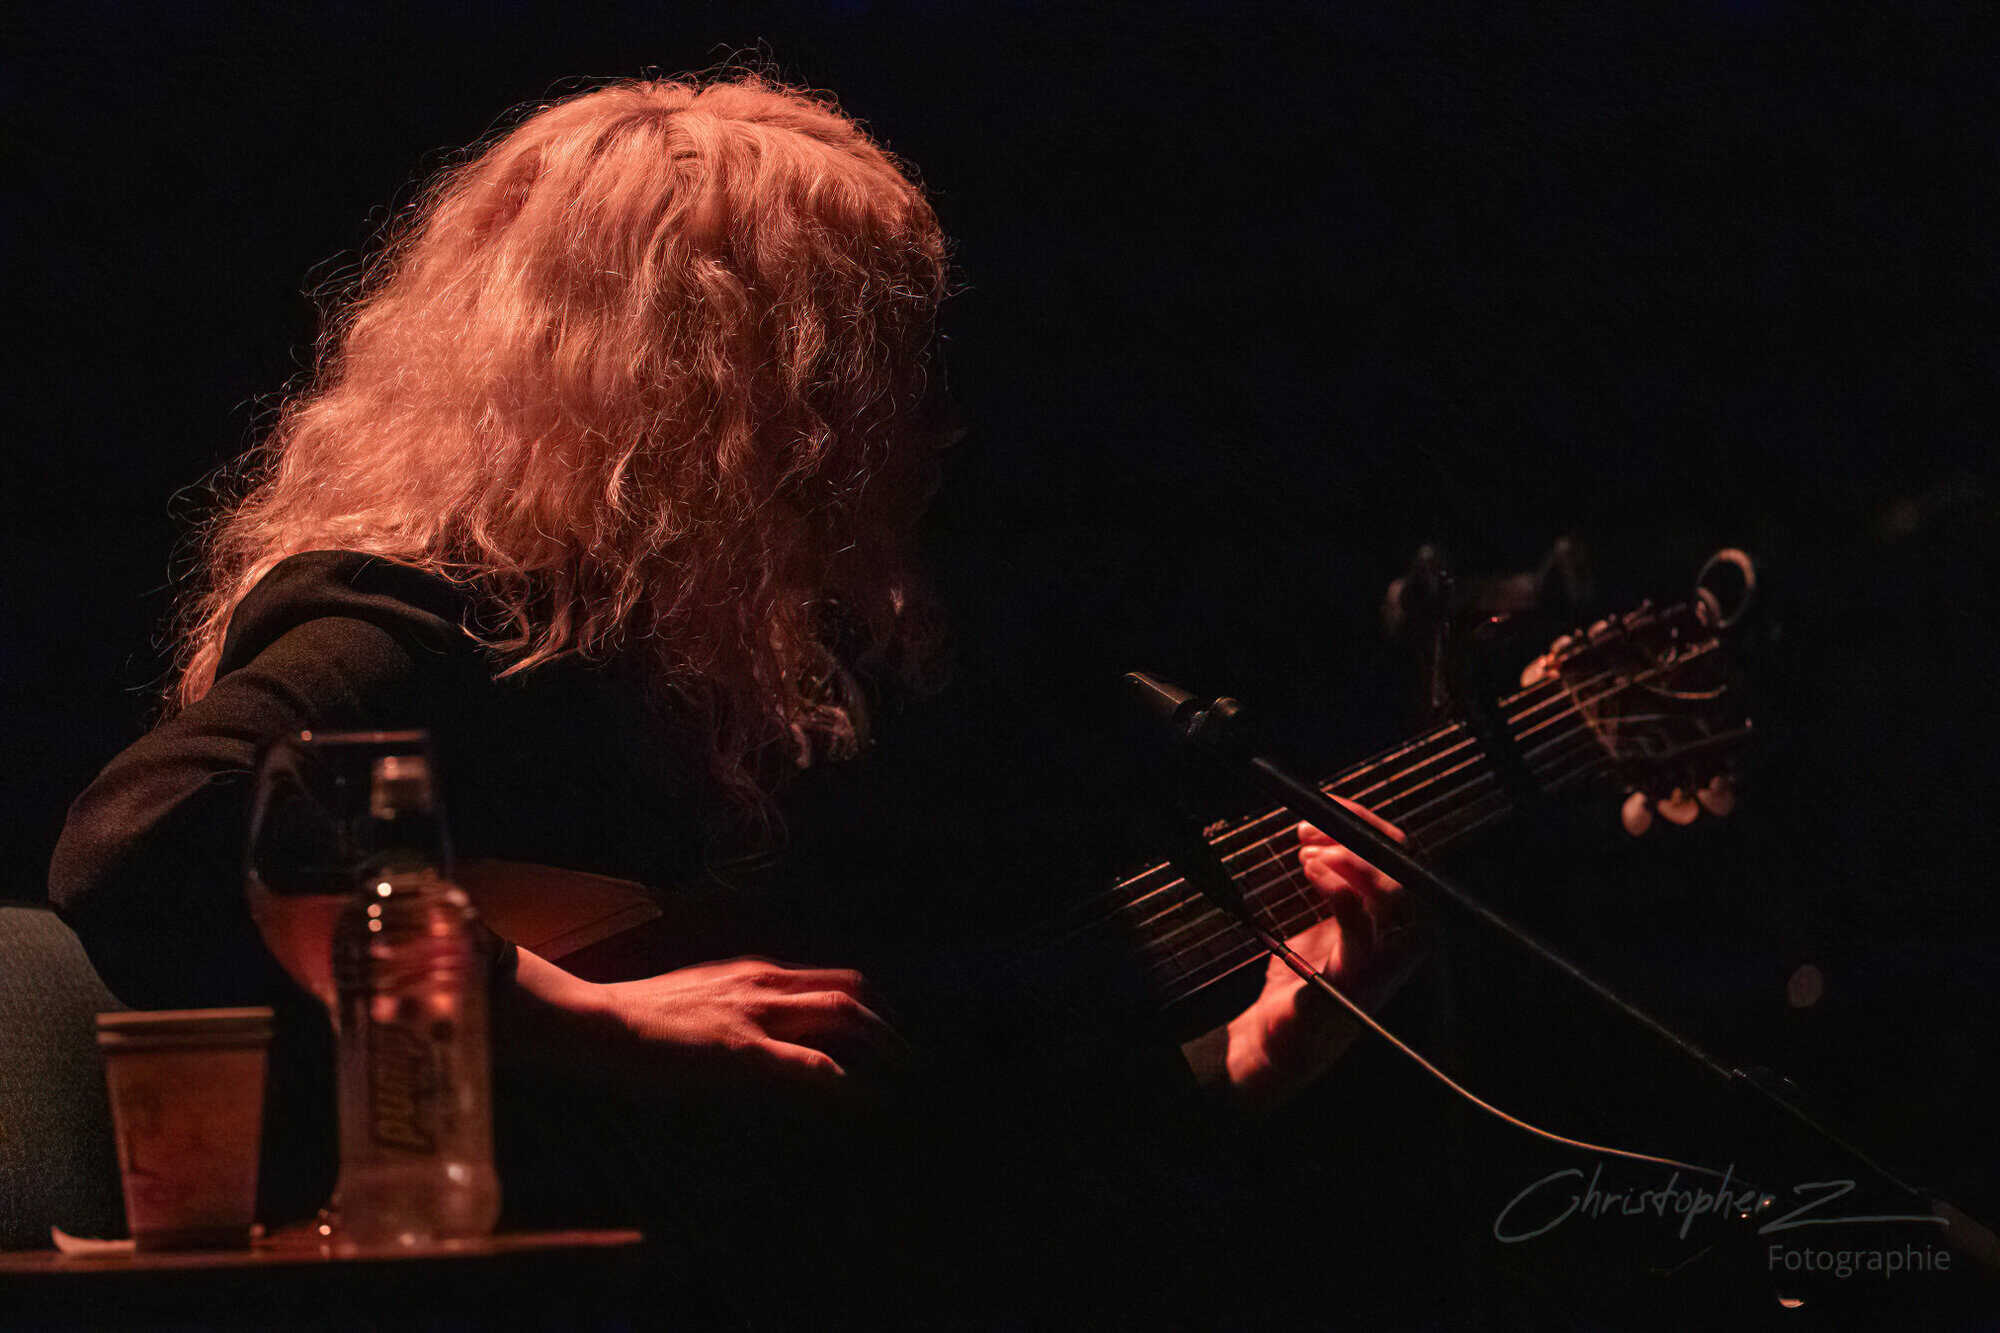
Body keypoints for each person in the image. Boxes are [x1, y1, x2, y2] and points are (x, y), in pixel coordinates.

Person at [49, 74, 1416, 1322]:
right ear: (744, 389)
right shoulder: (439, 623)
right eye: (875, 362)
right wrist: (598, 1021)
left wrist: (1259, 1049)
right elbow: (147, 836)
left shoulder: (771, 690)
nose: (927, 421)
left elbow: (922, 1175)